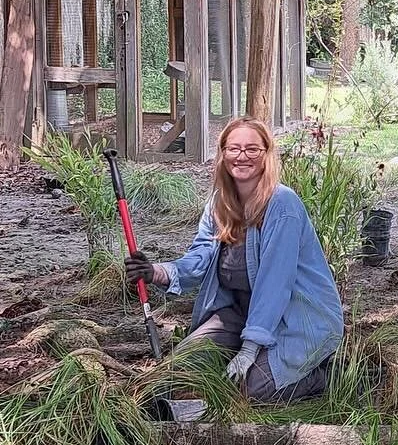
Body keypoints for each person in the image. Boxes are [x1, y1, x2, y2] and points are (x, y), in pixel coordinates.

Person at [124, 116, 344, 405]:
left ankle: (323, 373)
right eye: (234, 149)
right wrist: (157, 272)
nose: (242, 157)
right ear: (223, 153)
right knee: (180, 371)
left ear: (266, 155)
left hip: (296, 318)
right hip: (239, 313)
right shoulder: (220, 202)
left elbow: (275, 283)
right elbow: (201, 257)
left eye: (252, 149)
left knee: (250, 393)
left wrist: (249, 350)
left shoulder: (282, 205)